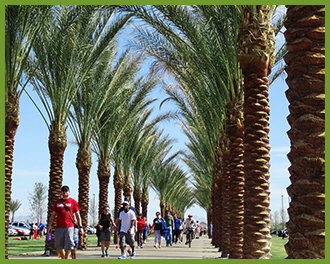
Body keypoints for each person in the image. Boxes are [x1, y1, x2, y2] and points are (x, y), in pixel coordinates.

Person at [46, 185, 84, 259]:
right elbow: (53, 215)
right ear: (61, 192)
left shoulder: (73, 202)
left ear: (69, 192)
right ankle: (64, 259)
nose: (64, 192)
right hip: (59, 227)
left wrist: (81, 227)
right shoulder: (57, 203)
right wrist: (49, 225)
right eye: (63, 191)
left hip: (69, 227)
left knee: (69, 246)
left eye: (66, 191)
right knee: (59, 246)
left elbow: (78, 215)